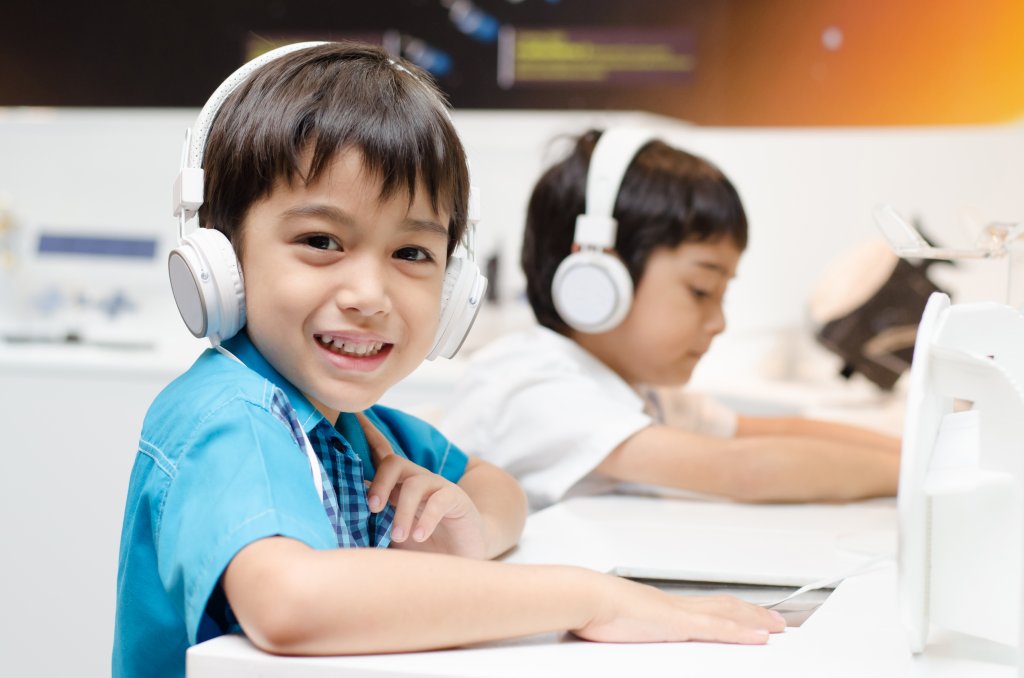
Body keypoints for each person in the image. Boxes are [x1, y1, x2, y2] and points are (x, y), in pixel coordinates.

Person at [112, 44, 785, 678]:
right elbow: (290, 603)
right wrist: (589, 598)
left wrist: (468, 525)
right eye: (321, 240)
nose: (370, 295)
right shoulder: (229, 418)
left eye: (412, 254)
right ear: (220, 259)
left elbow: (498, 489)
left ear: (454, 286)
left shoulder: (364, 430)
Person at [440, 128, 901, 512]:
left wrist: (919, 452)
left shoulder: (637, 389)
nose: (719, 322)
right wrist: (918, 476)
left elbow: (776, 430)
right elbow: (742, 468)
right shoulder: (535, 388)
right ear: (598, 279)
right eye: (701, 290)